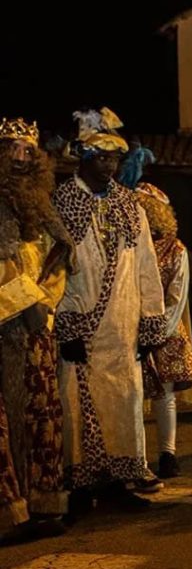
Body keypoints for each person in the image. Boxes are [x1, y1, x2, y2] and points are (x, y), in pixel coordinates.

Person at [54, 108, 166, 512]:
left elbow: (147, 267)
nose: (108, 166)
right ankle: (83, 485)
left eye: (114, 159)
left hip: (123, 326)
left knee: (125, 400)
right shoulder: (63, 202)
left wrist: (151, 325)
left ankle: (120, 480)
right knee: (76, 404)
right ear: (83, 157)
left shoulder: (129, 205)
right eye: (100, 158)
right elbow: (51, 270)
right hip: (80, 324)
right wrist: (64, 324)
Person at [0, 117, 74, 541]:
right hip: (6, 326)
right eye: (13, 149)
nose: (22, 158)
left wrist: (44, 300)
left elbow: (59, 256)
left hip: (37, 326)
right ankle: (11, 514)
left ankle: (40, 504)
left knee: (40, 416)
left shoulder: (40, 203)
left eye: (29, 150)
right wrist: (23, 301)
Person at [133, 183, 192, 480]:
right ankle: (135, 458)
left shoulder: (176, 249)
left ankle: (167, 454)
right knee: (132, 396)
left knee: (165, 395)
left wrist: (157, 333)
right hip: (130, 328)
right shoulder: (130, 244)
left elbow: (177, 295)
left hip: (165, 330)